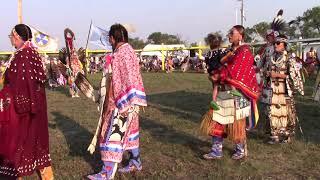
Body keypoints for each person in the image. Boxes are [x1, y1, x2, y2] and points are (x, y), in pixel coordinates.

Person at [86, 24, 147, 180]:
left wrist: (122, 103)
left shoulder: (120, 54)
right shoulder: (129, 50)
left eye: (110, 39)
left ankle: (106, 173)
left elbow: (124, 79)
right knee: (130, 133)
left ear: (112, 38)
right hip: (131, 100)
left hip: (121, 103)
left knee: (111, 135)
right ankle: (135, 161)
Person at [0, 24, 53, 179]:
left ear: (17, 37)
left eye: (11, 36)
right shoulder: (29, 53)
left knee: (18, 145)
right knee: (35, 144)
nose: (10, 39)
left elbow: (24, 84)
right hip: (32, 107)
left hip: (23, 109)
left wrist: (8, 97)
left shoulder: (24, 55)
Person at [201, 25, 260, 160]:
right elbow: (221, 66)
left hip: (237, 93)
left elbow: (235, 70)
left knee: (237, 123)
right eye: (229, 33)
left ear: (240, 35)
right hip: (223, 91)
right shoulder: (229, 51)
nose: (229, 36)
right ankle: (216, 151)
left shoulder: (245, 51)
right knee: (217, 120)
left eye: (231, 33)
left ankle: (240, 149)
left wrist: (219, 74)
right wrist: (215, 74)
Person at [264, 34, 304, 144]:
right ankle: (275, 135)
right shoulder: (271, 56)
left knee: (286, 112)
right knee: (272, 111)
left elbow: (293, 76)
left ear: (284, 45)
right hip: (273, 89)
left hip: (284, 89)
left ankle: (286, 136)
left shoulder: (289, 58)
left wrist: (276, 75)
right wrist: (267, 74)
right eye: (274, 43)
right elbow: (266, 70)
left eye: (278, 43)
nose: (275, 45)